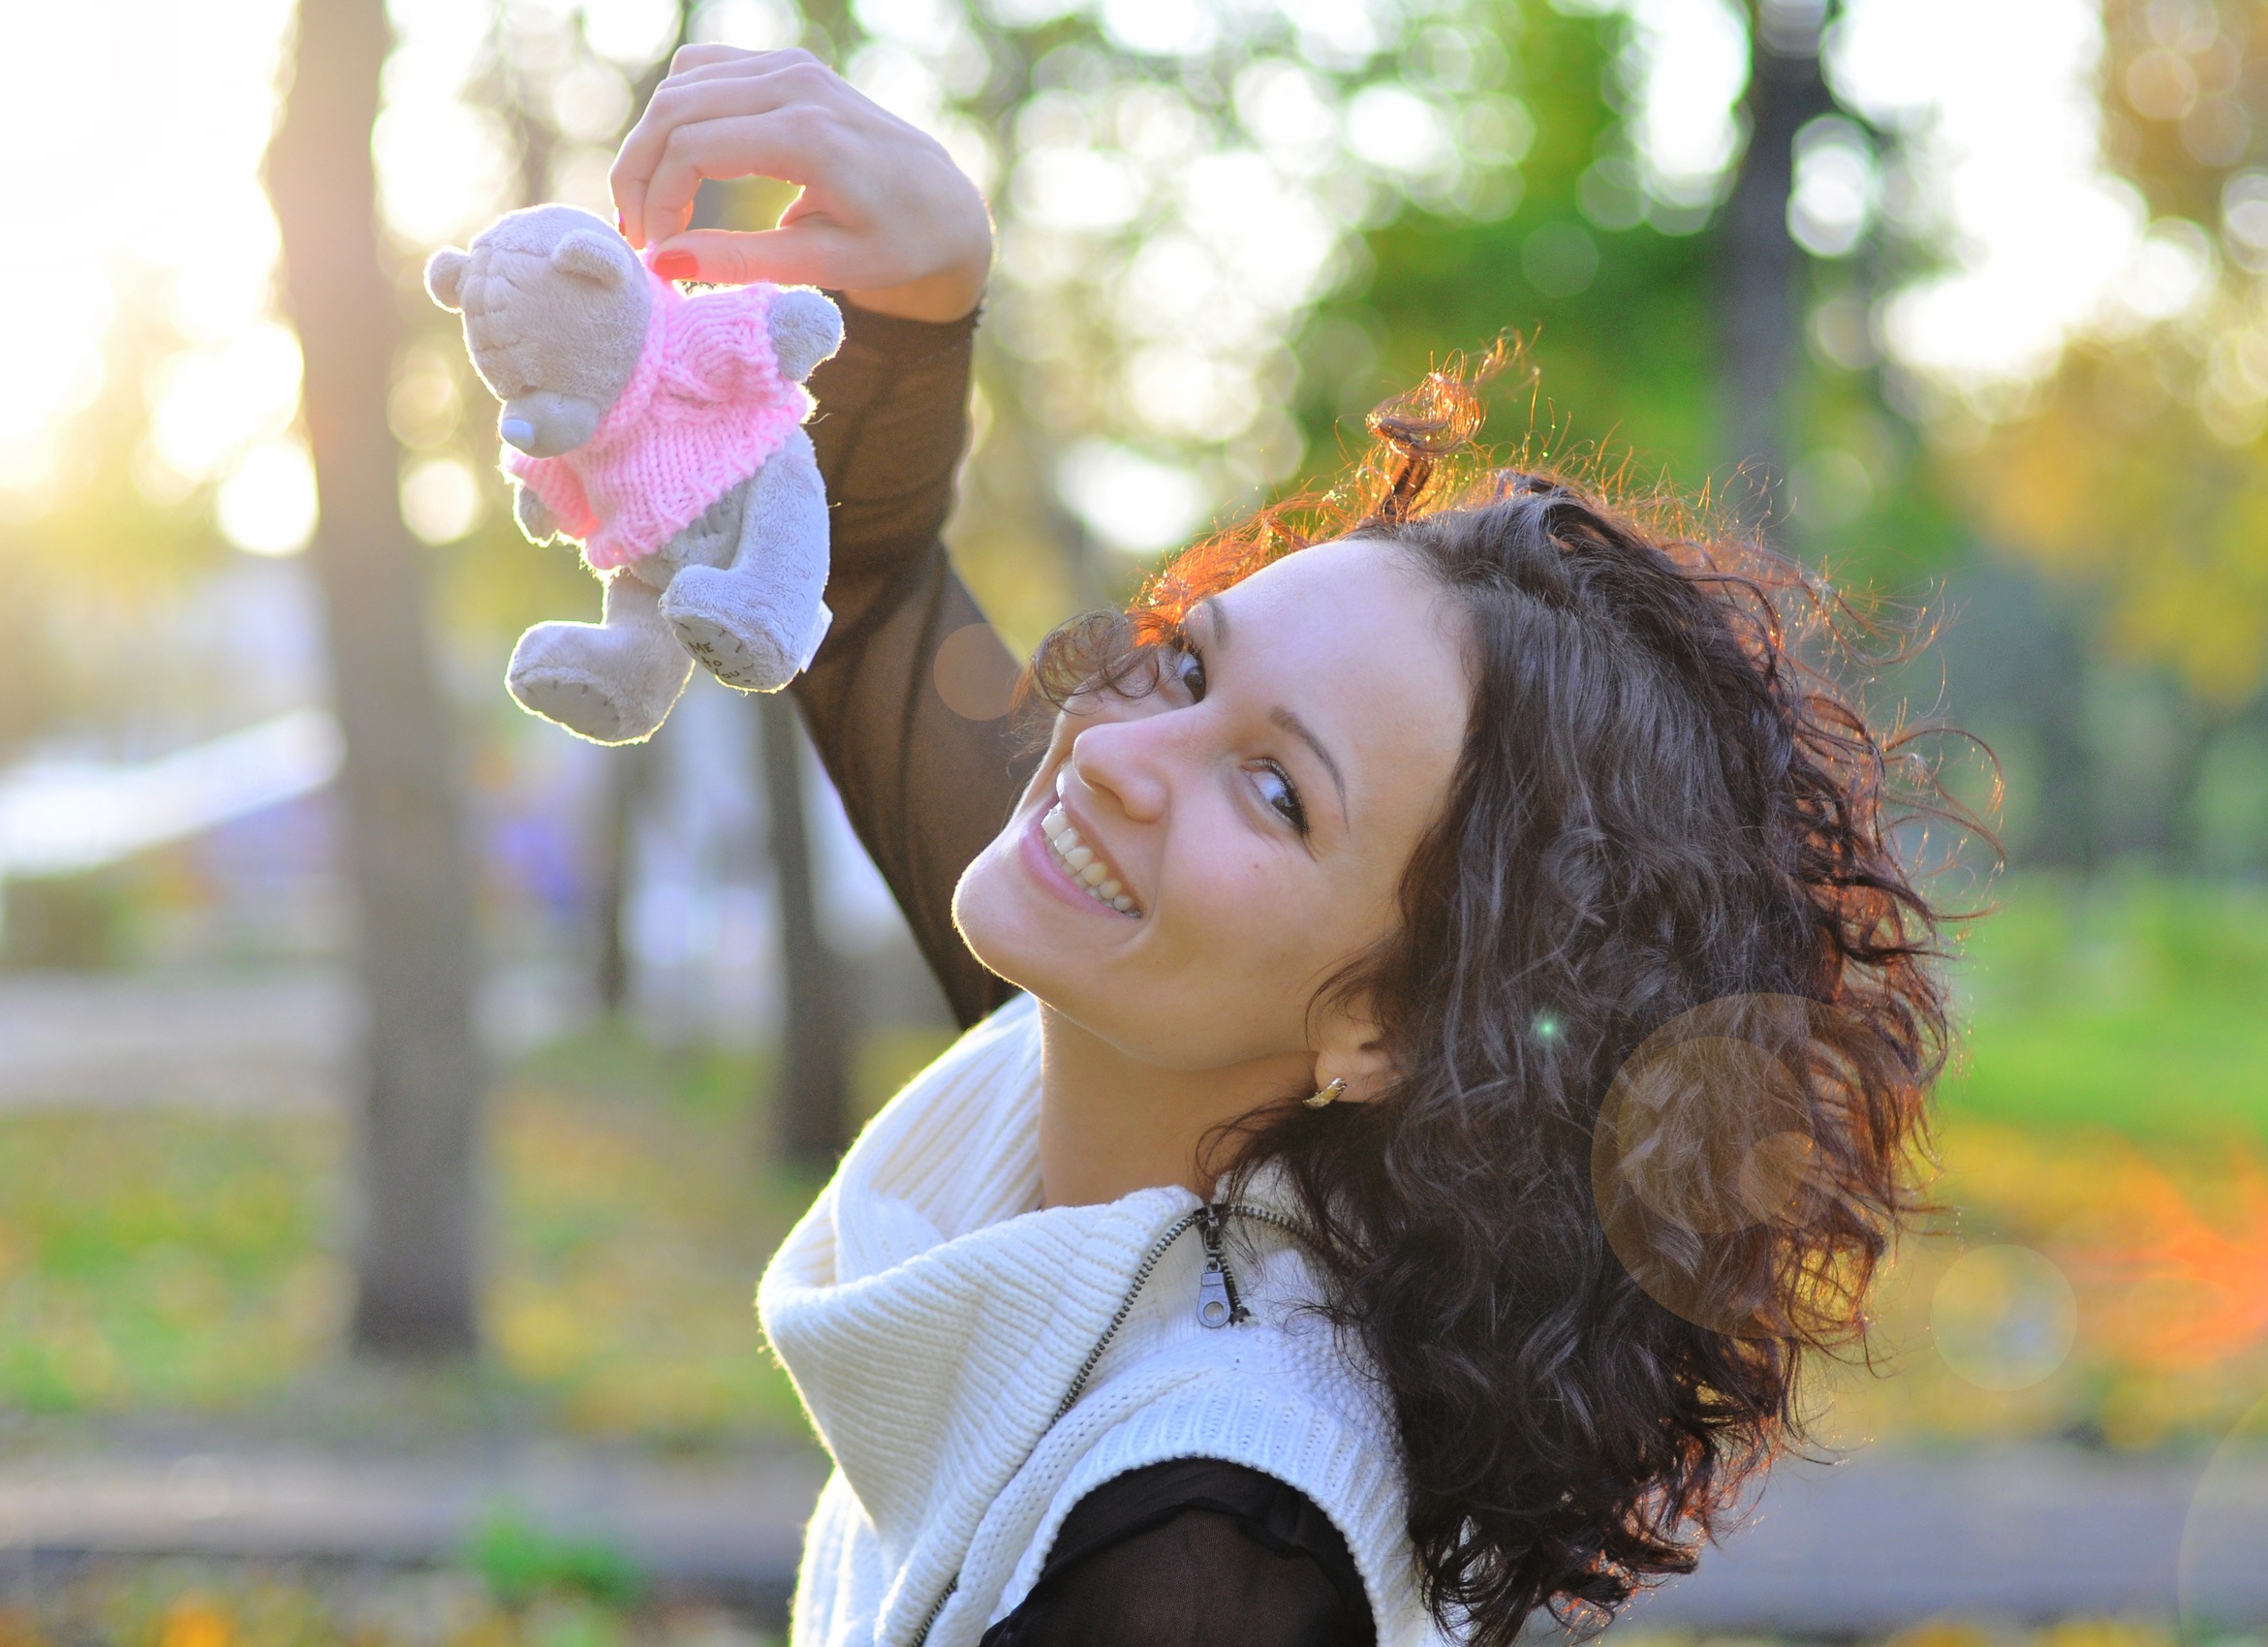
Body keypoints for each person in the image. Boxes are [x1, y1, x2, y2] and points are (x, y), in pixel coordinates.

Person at [606, 45, 1961, 1647]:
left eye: (1276, 792)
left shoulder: (1210, 1541)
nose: (1117, 753)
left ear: (1386, 1022)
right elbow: (869, 599)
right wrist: (918, 301)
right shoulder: (1138, 1085)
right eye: (1189, 666)